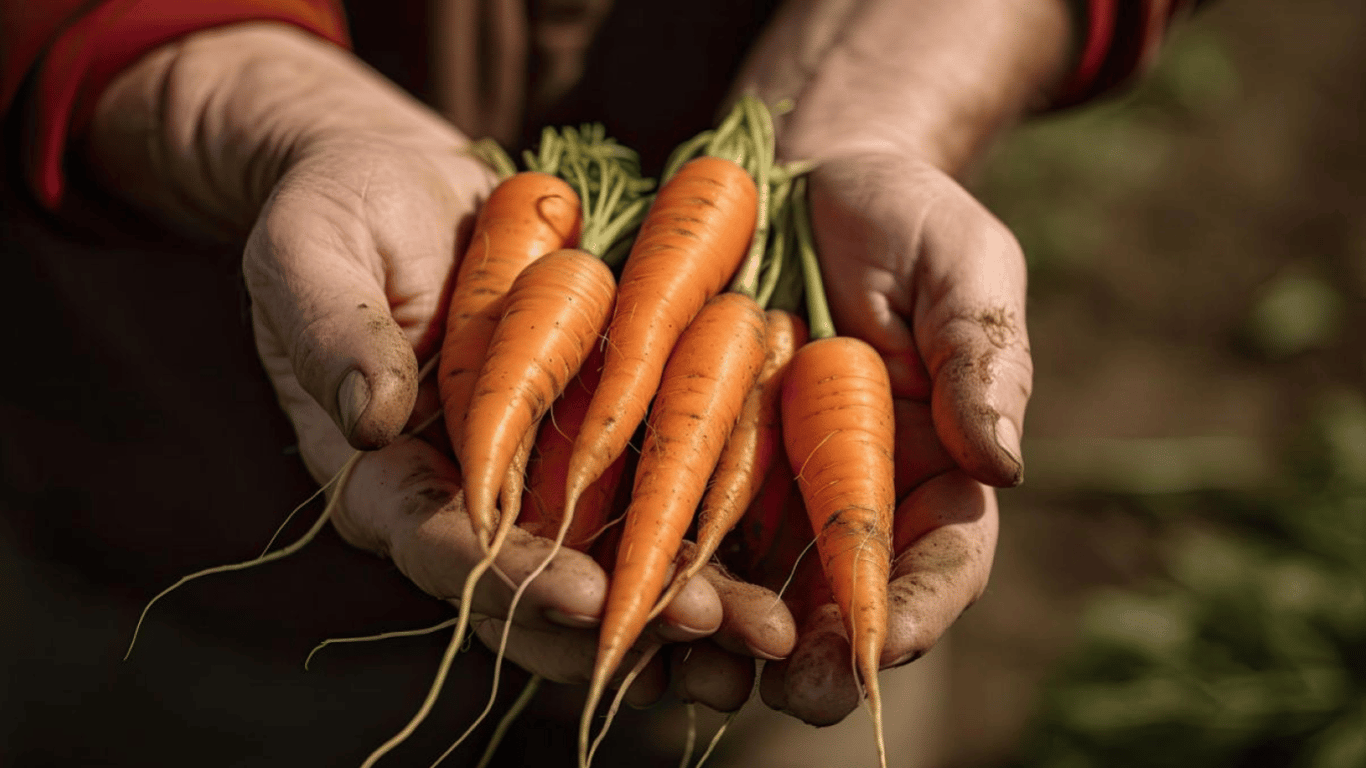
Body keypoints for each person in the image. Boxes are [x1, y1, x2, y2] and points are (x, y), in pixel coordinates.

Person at [0, 0, 1200, 764]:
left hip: (748, 656)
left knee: (794, 645)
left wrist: (875, 97)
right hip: (164, 493)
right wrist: (251, 107)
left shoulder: (790, 335)